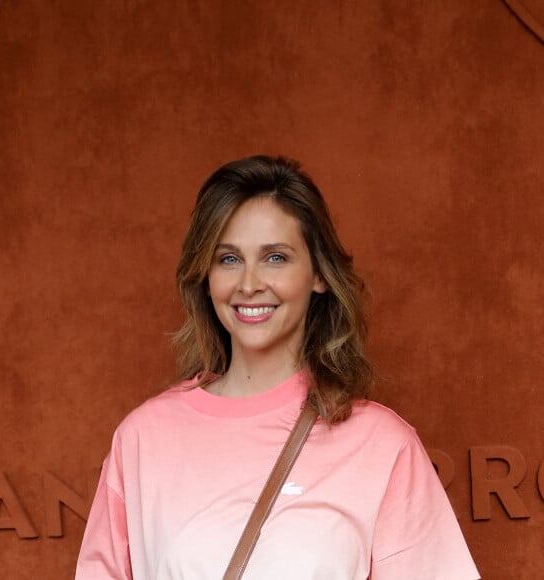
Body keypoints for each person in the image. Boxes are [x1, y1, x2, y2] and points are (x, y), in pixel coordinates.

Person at [75, 155, 480, 579]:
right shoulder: (142, 439)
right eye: (228, 259)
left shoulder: (381, 445)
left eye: (275, 257)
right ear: (206, 278)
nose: (249, 284)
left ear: (319, 275)